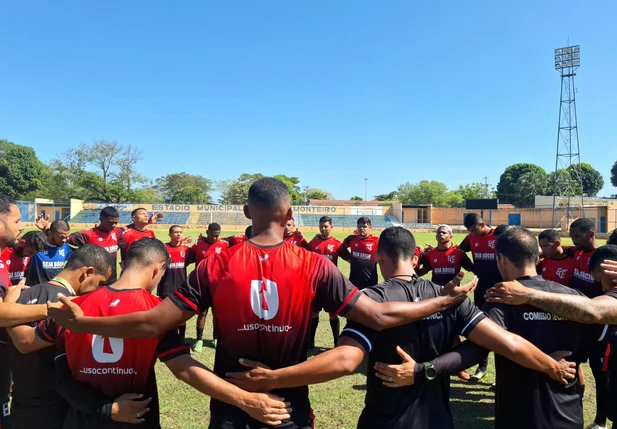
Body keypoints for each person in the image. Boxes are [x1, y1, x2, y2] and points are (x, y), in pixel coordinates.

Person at [49, 177, 479, 429]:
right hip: (289, 406)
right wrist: (442, 299)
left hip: (231, 407)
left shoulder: (216, 265)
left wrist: (86, 325)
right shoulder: (314, 265)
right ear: (290, 212)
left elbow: (150, 324)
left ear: (246, 211)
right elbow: (380, 316)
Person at [225, 227, 577, 429]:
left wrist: (275, 378)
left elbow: (345, 361)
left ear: (379, 256)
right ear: (417, 258)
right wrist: (552, 366)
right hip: (439, 421)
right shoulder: (450, 299)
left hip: (385, 420)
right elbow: (505, 345)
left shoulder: (371, 301)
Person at [488, 244, 617, 429]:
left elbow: (592, 310)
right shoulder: (573, 295)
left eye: (601, 281)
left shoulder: (502, 297)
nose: (604, 288)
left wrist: (528, 295)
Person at [7, 245, 113, 429]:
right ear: (87, 272)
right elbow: (25, 342)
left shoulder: (24, 294)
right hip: (56, 408)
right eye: (100, 283)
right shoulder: (74, 306)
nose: (98, 290)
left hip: (21, 404)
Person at [416, 224, 474, 380]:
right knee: (436, 331)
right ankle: (437, 363)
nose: (440, 235)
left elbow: (473, 269)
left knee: (455, 333)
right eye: (438, 233)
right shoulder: (431, 254)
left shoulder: (458, 253)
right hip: (436, 297)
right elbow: (423, 271)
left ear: (450, 236)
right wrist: (417, 259)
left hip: (454, 299)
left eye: (444, 232)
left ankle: (459, 367)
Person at [458, 212, 501, 381]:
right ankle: (482, 367)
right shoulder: (470, 238)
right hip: (480, 287)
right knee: (481, 325)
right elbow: (459, 251)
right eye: (470, 231)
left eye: (475, 230)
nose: (473, 234)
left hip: (499, 287)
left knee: (500, 328)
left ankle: (503, 373)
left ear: (483, 225)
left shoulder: (498, 235)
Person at [189, 222, 230, 352]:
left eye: (217, 235)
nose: (214, 238)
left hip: (218, 285)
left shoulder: (224, 245)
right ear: (207, 232)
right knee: (202, 313)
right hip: (202, 285)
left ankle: (215, 339)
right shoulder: (199, 245)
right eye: (212, 235)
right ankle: (199, 340)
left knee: (217, 313)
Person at [306, 216, 344, 348]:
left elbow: (350, 259)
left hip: (330, 284)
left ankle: (336, 342)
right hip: (315, 284)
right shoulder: (313, 243)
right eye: (321, 226)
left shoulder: (337, 243)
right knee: (313, 313)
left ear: (331, 227)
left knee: (333, 313)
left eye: (326, 226)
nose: (323, 229)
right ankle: (310, 342)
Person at [65, 206, 123, 282]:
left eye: (116, 223)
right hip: (93, 282)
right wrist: (46, 230)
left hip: (112, 280)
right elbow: (64, 238)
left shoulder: (117, 232)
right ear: (101, 219)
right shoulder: (88, 234)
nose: (114, 225)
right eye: (111, 222)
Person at [159, 225, 191, 339]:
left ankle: (181, 339)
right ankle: (166, 339)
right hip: (166, 287)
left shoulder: (186, 249)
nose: (178, 234)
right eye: (176, 232)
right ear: (170, 234)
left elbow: (187, 262)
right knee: (165, 315)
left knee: (181, 315)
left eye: (180, 232)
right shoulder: (163, 249)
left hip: (182, 287)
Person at [25, 219, 72, 286]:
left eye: (66, 237)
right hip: (36, 292)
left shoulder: (66, 248)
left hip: (55, 292)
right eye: (61, 237)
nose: (64, 240)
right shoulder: (36, 246)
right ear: (50, 234)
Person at [340, 217, 379, 289]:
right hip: (353, 282)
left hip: (370, 282)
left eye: (364, 226)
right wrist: (348, 258)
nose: (361, 228)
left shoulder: (376, 241)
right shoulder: (351, 239)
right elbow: (339, 247)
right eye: (359, 226)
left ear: (370, 227)